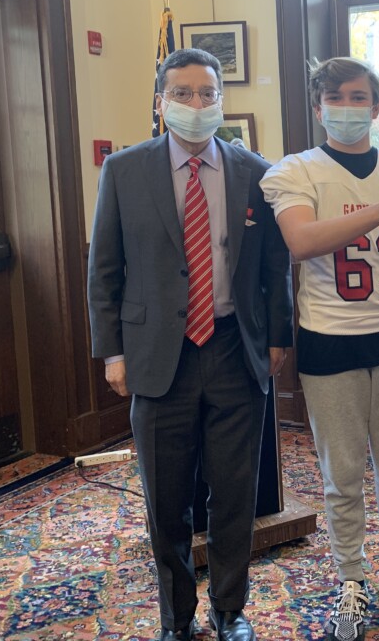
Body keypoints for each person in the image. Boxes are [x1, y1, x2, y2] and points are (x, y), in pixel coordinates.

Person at [87, 48, 293, 641]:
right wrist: (113, 353)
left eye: (207, 93)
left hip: (235, 350)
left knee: (235, 495)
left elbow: (272, 267)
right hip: (156, 358)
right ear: (161, 103)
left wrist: (278, 338)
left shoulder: (256, 170)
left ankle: (230, 611)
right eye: (183, 93)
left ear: (221, 100)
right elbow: (105, 270)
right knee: (167, 501)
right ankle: (176, 617)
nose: (196, 105)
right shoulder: (124, 171)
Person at [259, 57, 379, 641]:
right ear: (320, 106)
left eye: (359, 96)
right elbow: (300, 241)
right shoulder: (294, 171)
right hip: (330, 337)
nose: (348, 106)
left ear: (376, 106)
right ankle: (349, 578)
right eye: (336, 97)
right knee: (342, 471)